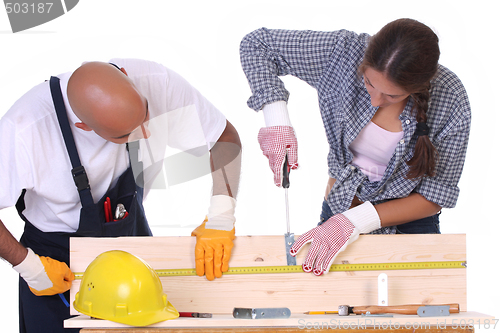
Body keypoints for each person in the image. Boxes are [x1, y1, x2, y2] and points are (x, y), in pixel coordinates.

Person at [0, 59, 241, 332]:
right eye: (126, 134)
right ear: (84, 127)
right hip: (55, 260)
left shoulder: (157, 81)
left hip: (131, 240)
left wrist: (221, 215)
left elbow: (222, 137)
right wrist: (28, 265)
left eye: (146, 115)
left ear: (126, 75)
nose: (146, 132)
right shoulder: (22, 130)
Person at [240, 19, 470, 276]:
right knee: (328, 309)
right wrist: (276, 118)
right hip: (339, 211)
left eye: (392, 96)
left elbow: (436, 196)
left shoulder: (451, 97)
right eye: (369, 83)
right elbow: (256, 45)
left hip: (409, 224)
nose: (375, 100)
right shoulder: (342, 53)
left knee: (415, 310)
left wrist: (356, 222)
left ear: (418, 87)